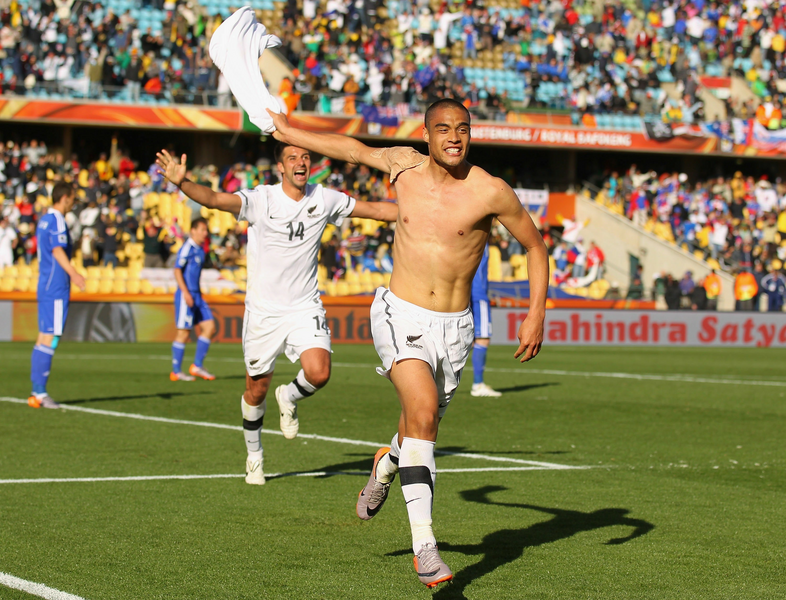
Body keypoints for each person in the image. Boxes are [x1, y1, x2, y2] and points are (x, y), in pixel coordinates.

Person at [268, 99, 548, 588]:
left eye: (462, 129)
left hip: (455, 328)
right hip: (399, 313)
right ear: (426, 134)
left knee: (421, 428)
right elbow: (349, 149)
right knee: (421, 413)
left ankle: (387, 463)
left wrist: (536, 311)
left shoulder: (491, 190)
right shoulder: (403, 166)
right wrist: (288, 129)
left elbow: (535, 246)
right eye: (444, 129)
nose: (454, 137)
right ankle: (426, 548)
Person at [155, 143, 398, 486]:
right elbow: (214, 199)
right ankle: (254, 456)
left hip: (304, 305)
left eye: (305, 157)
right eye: (292, 158)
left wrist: (420, 210)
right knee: (255, 390)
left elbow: (373, 209)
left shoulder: (324, 198)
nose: (301, 162)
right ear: (280, 168)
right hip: (264, 312)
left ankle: (290, 396)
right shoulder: (261, 199)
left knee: (320, 372)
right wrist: (183, 183)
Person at [28, 182, 86, 409]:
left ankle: (36, 391)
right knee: (51, 337)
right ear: (65, 198)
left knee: (43, 336)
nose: (73, 203)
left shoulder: (44, 220)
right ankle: (40, 393)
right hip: (56, 287)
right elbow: (57, 249)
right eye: (72, 199)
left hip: (45, 284)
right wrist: (74, 273)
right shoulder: (57, 220)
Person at [170, 217, 217, 382]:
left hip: (197, 295)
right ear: (193, 230)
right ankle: (176, 371)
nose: (205, 233)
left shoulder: (200, 249)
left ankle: (197, 365)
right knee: (183, 333)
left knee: (209, 327)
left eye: (206, 230)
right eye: (202, 230)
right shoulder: (187, 248)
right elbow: (177, 270)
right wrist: (186, 293)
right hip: (187, 295)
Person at [469, 243, 501, 397]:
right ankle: (478, 384)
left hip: (471, 293)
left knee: (472, 340)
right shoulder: (478, 238)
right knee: (482, 339)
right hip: (478, 295)